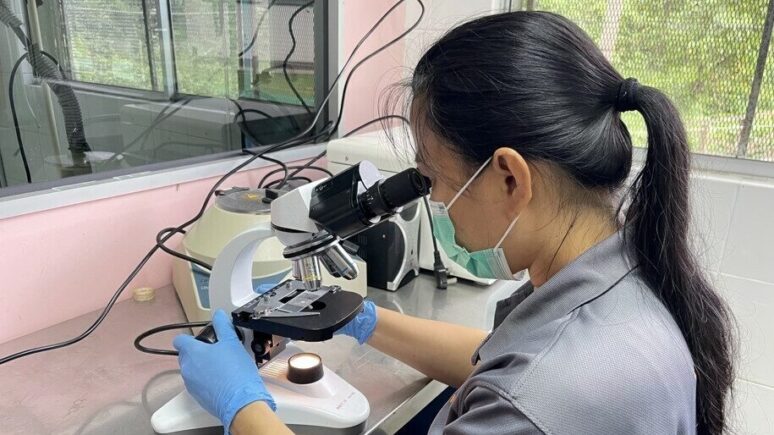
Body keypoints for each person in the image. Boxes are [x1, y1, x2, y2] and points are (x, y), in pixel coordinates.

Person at [172, 11, 734, 435]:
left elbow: (521, 387)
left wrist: (242, 405)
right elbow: (493, 357)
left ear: (510, 179)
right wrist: (358, 318)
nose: (431, 200)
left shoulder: (537, 401)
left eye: (433, 177)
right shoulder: (628, 270)